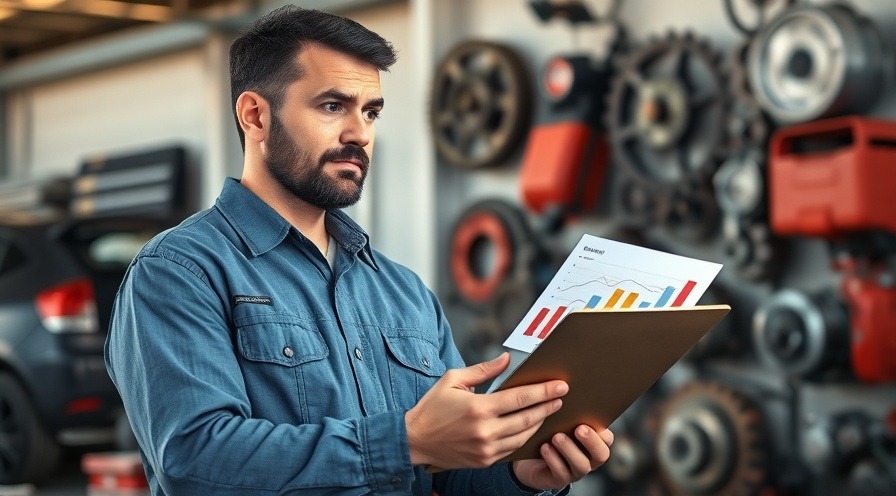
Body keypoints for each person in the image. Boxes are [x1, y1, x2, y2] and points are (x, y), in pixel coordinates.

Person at [105, 5, 613, 495]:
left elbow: (448, 472)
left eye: (370, 111)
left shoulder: (404, 291)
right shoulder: (180, 273)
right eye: (333, 106)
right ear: (255, 116)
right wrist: (404, 440)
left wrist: (522, 474)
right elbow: (195, 464)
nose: (360, 134)